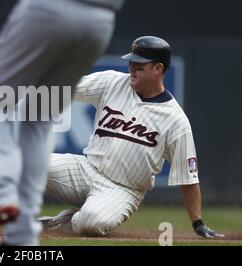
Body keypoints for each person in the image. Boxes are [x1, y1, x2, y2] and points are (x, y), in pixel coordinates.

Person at [0, 0, 158, 246]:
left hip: (48, 4)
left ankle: (1, 195)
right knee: (40, 118)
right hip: (99, 20)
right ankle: (23, 236)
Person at [39, 36, 223, 239]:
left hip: (121, 190)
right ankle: (2, 213)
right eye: (131, 62)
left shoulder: (176, 121)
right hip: (84, 169)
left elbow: (188, 179)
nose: (132, 68)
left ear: (158, 69)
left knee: (90, 223)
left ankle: (57, 224)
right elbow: (68, 88)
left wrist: (198, 223)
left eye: (139, 65)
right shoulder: (112, 82)